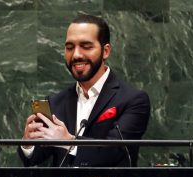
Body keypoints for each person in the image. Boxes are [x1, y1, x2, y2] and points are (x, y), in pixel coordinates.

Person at [18, 14, 150, 167]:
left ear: (105, 51)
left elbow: (115, 151)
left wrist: (68, 142)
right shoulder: (54, 102)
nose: (76, 55)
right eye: (69, 47)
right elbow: (34, 158)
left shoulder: (134, 100)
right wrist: (28, 144)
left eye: (86, 46)